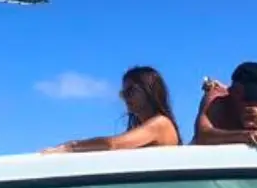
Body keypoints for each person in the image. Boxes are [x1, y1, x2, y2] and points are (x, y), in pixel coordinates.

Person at [42, 66, 181, 153]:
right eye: (123, 94)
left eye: (130, 91)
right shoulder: (150, 126)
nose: (125, 98)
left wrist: (69, 147)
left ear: (149, 91)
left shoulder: (160, 124)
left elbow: (113, 144)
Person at [192, 61, 257, 146]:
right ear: (233, 91)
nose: (254, 104)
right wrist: (245, 135)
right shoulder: (217, 101)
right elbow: (202, 135)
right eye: (248, 97)